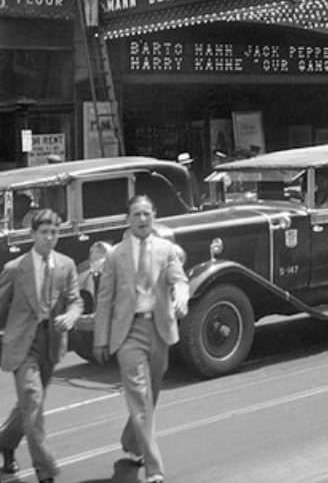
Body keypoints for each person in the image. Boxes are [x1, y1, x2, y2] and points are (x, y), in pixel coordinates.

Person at [93, 195, 189, 483]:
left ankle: (132, 440)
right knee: (139, 396)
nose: (142, 219)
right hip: (128, 334)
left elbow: (179, 279)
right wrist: (101, 339)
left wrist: (181, 298)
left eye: (147, 213)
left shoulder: (166, 249)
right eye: (137, 214)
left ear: (154, 215)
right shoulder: (115, 255)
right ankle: (155, 469)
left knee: (151, 395)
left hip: (158, 329)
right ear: (128, 219)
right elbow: (105, 299)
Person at [0, 209, 82, 483]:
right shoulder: (14, 269)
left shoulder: (66, 265)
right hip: (22, 346)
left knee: (28, 406)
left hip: (51, 344)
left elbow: (75, 299)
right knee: (33, 403)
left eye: (54, 232)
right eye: (44, 233)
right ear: (32, 235)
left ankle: (5, 442)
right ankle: (45, 470)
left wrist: (71, 316)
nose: (49, 238)